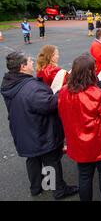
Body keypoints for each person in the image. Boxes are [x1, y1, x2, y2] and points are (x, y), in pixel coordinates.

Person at [0, 51, 78, 199]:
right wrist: (60, 92)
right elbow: (49, 104)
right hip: (38, 129)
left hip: (22, 127)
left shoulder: (10, 82)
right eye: (29, 61)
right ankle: (58, 189)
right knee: (50, 158)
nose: (32, 63)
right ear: (22, 66)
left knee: (33, 158)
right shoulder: (31, 88)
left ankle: (36, 187)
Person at [58, 55, 101, 201]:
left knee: (84, 176)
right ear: (90, 72)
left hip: (78, 142)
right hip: (100, 144)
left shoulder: (64, 92)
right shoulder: (99, 94)